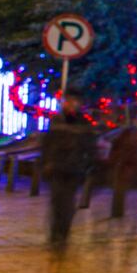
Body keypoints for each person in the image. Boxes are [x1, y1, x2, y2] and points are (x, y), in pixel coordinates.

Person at [40, 91, 97, 247]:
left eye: (73, 101)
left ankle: (63, 234)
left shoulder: (83, 123)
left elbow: (90, 146)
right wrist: (46, 163)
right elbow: (47, 144)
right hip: (57, 168)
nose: (70, 104)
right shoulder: (56, 121)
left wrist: (88, 165)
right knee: (57, 201)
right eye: (67, 101)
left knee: (68, 204)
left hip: (74, 169)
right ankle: (55, 233)